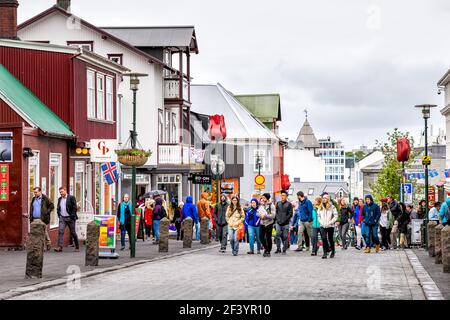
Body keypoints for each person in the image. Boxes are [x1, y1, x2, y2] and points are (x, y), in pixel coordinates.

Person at [29, 187, 54, 251]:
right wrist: (31, 216)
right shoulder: (33, 199)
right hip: (34, 219)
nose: (35, 193)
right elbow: (32, 208)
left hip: (43, 218)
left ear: (40, 192)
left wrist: (47, 212)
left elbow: (52, 206)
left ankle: (43, 247)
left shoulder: (45, 198)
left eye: (36, 192)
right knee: (42, 232)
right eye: (34, 192)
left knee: (42, 232)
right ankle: (48, 243)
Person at [54, 187, 79, 252]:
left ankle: (77, 246)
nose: (61, 193)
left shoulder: (71, 197)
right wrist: (59, 214)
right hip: (62, 217)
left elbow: (74, 207)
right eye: (60, 192)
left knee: (73, 232)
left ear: (65, 191)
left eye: (62, 192)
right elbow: (58, 207)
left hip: (70, 218)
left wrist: (72, 216)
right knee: (60, 231)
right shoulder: (59, 199)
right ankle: (60, 247)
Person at [317, 194, 338, 259]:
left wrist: (330, 222)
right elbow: (318, 216)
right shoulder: (320, 207)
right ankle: (325, 253)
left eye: (325, 198)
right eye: (323, 198)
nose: (324, 199)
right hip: (322, 225)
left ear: (328, 199)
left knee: (330, 239)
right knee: (323, 238)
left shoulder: (332, 207)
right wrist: (321, 222)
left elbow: (335, 216)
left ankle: (333, 251)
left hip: (330, 225)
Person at [275, 190, 293, 254]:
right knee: (277, 235)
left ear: (286, 196)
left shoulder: (289, 204)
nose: (282, 197)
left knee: (285, 236)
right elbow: (276, 212)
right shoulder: (278, 203)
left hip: (285, 223)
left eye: (283, 195)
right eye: (281, 195)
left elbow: (290, 214)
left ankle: (284, 249)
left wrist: (285, 220)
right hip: (278, 223)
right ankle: (278, 248)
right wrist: (277, 220)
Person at [258, 193, 276, 257]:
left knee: (268, 237)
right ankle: (266, 248)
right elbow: (257, 213)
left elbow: (273, 215)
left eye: (264, 198)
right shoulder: (261, 205)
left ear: (267, 198)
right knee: (260, 236)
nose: (262, 199)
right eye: (262, 198)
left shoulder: (272, 205)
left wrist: (265, 216)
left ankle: (268, 251)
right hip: (262, 223)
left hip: (269, 223)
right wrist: (260, 215)